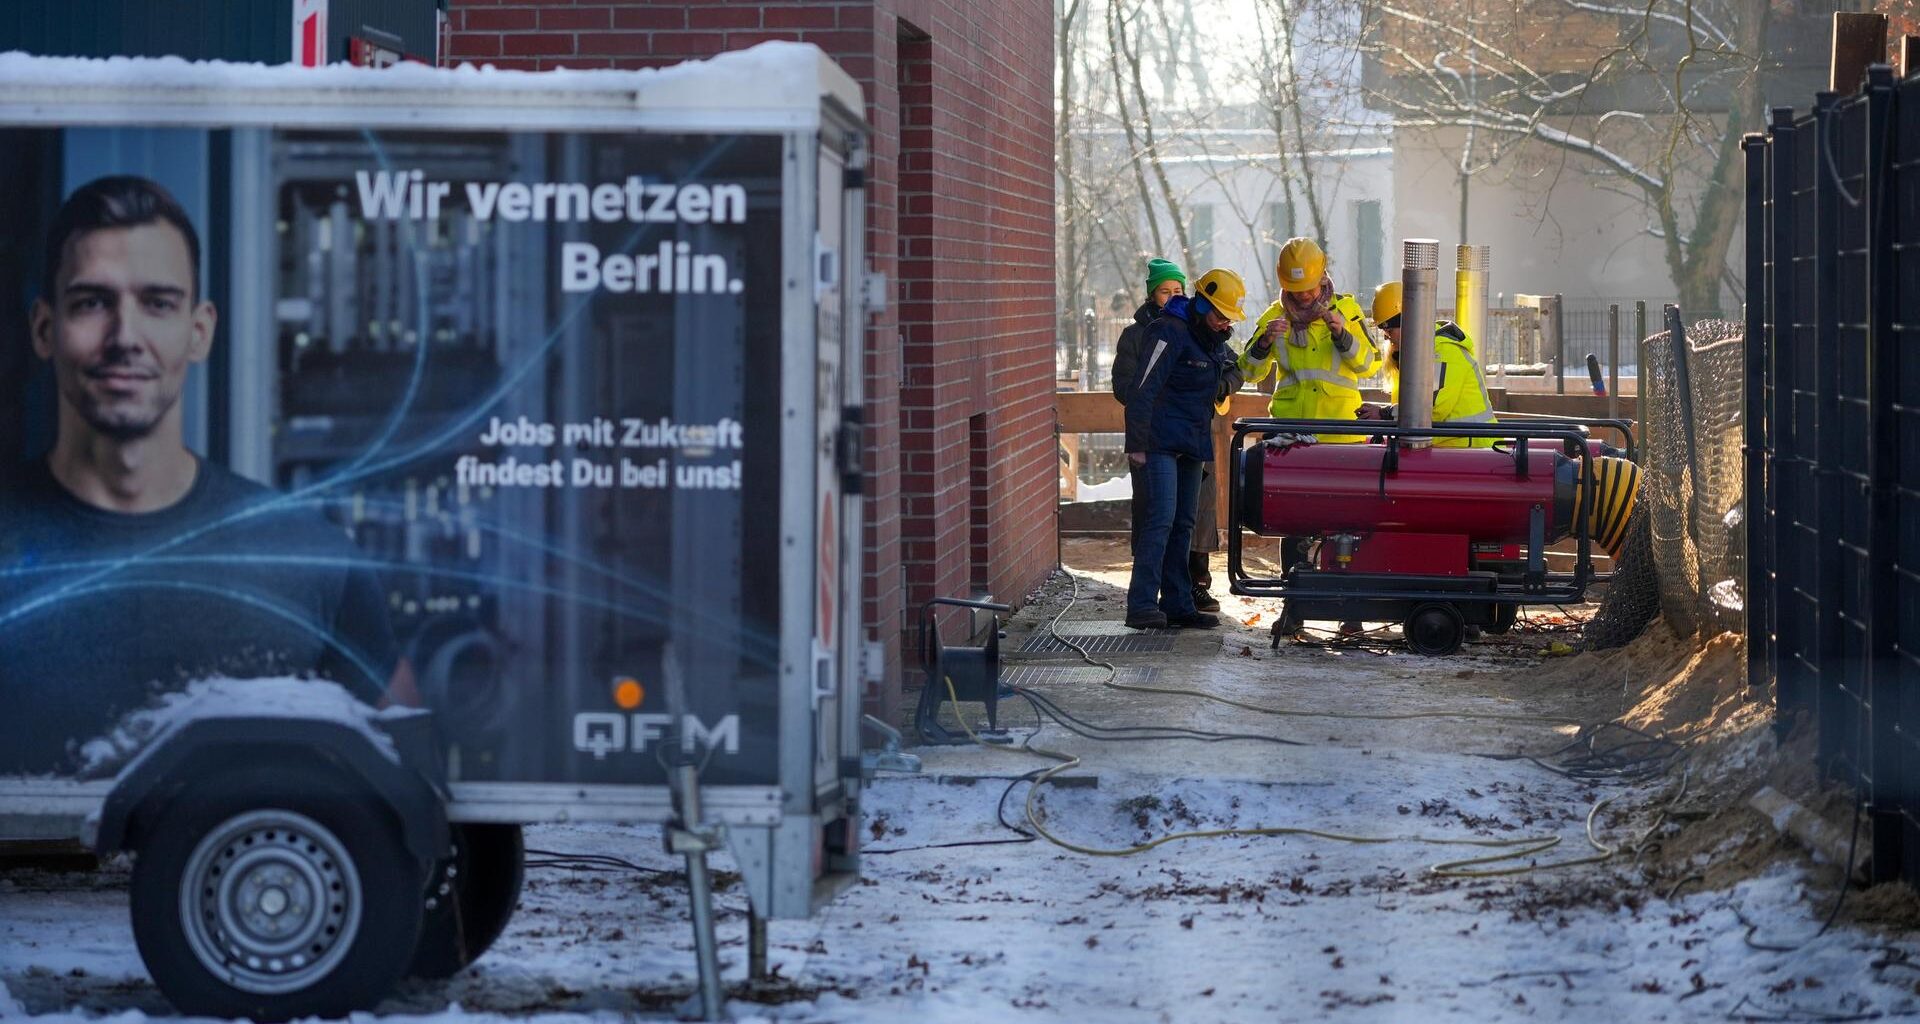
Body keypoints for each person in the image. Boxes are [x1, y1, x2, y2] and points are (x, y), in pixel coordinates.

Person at [0, 175, 416, 775]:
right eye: (92, 302)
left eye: (158, 304)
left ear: (199, 332)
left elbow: (415, 797)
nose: (125, 338)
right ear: (45, 328)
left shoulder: (312, 562)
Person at [1111, 258, 1240, 612]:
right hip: (1160, 442)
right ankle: (1141, 604)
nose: (1226, 322)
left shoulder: (1213, 340)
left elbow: (1229, 375)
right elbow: (1140, 389)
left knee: (1184, 522)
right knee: (1160, 520)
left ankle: (1178, 603)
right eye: (1222, 315)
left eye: (1230, 317)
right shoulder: (1167, 331)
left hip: (1193, 441)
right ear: (1204, 307)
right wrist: (1138, 444)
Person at [1238, 237, 1379, 443]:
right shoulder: (1274, 316)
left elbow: (1370, 366)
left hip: (1339, 434)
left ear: (1322, 276)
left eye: (1309, 287)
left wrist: (1343, 336)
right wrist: (1263, 344)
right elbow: (1247, 374)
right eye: (1296, 289)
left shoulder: (1347, 311)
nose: (1303, 294)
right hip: (1289, 434)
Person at [1362, 281, 1498, 448]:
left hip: (1475, 452)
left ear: (1410, 322)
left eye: (1389, 330)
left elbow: (1432, 410)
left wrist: (1384, 414)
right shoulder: (1418, 355)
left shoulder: (1445, 352)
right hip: (1455, 450)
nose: (1386, 337)